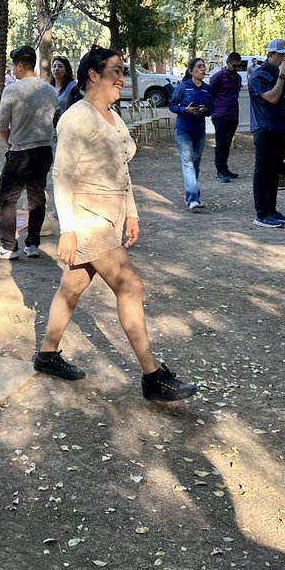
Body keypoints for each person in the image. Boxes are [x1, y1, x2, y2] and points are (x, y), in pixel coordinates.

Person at [34, 45, 197, 402]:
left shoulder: (110, 114)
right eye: (116, 71)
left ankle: (46, 355)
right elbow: (60, 174)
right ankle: (152, 377)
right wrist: (69, 228)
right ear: (93, 74)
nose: (122, 78)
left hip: (110, 217)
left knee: (73, 286)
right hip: (88, 219)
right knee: (130, 286)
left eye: (122, 71)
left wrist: (133, 212)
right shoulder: (77, 117)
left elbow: (121, 171)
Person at [0, 45, 58, 260]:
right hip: (44, 150)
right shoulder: (49, 89)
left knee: (8, 198)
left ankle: (8, 246)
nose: (13, 70)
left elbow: (1, 122)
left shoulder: (13, 90)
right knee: (37, 198)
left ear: (20, 65)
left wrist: (9, 144)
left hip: (20, 152)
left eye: (14, 66)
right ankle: (33, 244)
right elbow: (56, 118)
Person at [249, 39, 285, 227]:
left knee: (274, 171)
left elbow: (281, 100)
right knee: (263, 171)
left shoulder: (282, 75)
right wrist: (282, 77)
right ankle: (261, 213)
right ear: (270, 54)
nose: (284, 58)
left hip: (280, 127)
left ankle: (272, 210)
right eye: (280, 55)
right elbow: (271, 97)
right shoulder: (259, 75)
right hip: (264, 128)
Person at [169, 57, 213, 210]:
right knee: (187, 163)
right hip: (183, 129)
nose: (202, 69)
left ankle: (193, 197)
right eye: (199, 67)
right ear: (191, 71)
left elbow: (212, 109)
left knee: (195, 163)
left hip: (199, 130)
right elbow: (172, 105)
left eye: (204, 66)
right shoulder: (183, 87)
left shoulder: (207, 89)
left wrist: (204, 110)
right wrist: (185, 109)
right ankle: (193, 199)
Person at [209, 52, 244, 183]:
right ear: (228, 62)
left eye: (238, 66)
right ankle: (220, 171)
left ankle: (225, 168)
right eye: (234, 66)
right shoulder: (218, 77)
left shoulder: (238, 78)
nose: (236, 69)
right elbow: (211, 94)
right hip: (220, 114)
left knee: (227, 143)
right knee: (221, 143)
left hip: (233, 114)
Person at [51, 56, 78, 120]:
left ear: (66, 70)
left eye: (60, 66)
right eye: (54, 66)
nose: (56, 69)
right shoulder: (49, 87)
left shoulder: (73, 87)